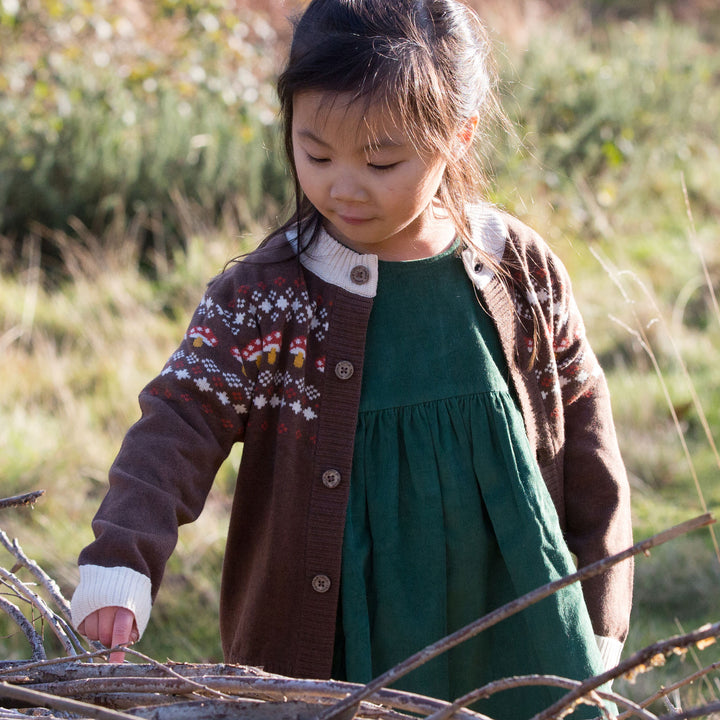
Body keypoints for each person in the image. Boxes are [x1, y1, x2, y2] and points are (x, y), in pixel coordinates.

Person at [71, 0, 633, 717]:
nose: (343, 185)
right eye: (317, 153)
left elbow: (587, 433)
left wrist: (602, 603)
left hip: (519, 620)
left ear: (456, 138)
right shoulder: (269, 298)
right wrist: (124, 556)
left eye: (381, 160)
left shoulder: (516, 271)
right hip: (344, 637)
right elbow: (178, 420)